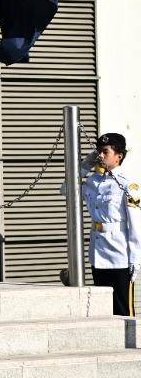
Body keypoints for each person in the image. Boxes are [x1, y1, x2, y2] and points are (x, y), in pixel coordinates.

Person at [81, 132, 139, 317]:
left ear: (119, 156)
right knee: (103, 310)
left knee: (123, 310)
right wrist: (85, 165)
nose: (101, 155)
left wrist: (135, 260)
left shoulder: (128, 184)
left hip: (120, 256)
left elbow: (136, 226)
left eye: (105, 151)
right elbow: (65, 190)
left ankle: (130, 344)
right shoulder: (93, 181)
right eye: (98, 151)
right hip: (98, 254)